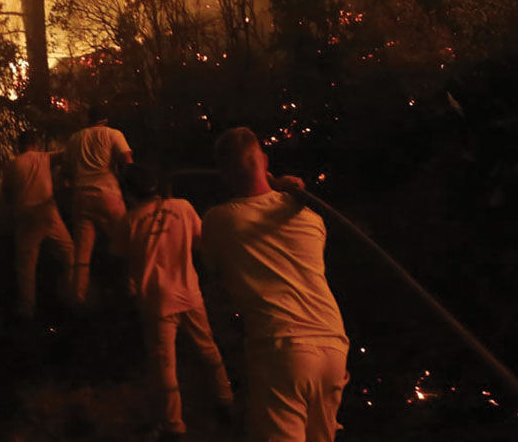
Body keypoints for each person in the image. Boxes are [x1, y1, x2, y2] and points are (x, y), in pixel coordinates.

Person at [201, 127, 350, 442]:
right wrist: (278, 188)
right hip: (333, 344)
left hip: (282, 347)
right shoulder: (311, 218)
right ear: (265, 161)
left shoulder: (219, 221)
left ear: (224, 176)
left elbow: (212, 265)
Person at [116, 164, 233, 440]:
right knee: (208, 349)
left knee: (165, 364)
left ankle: (174, 426)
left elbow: (123, 259)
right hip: (189, 294)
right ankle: (226, 400)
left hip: (157, 301)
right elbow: (202, 242)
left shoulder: (129, 221)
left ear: (129, 192)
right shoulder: (182, 207)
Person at [64, 105, 133, 305]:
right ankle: (133, 289)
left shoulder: (74, 139)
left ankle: (78, 296)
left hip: (81, 197)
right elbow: (127, 160)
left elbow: (66, 172)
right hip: (108, 193)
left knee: (82, 253)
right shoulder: (113, 134)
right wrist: (128, 184)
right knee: (125, 242)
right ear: (105, 119)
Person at [2, 130, 74, 319]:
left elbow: (7, 196)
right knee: (70, 253)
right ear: (35, 144)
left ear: (20, 145)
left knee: (26, 267)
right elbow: (68, 153)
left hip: (25, 217)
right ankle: (73, 295)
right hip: (48, 213)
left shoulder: (12, 165)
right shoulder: (44, 158)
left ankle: (26, 311)